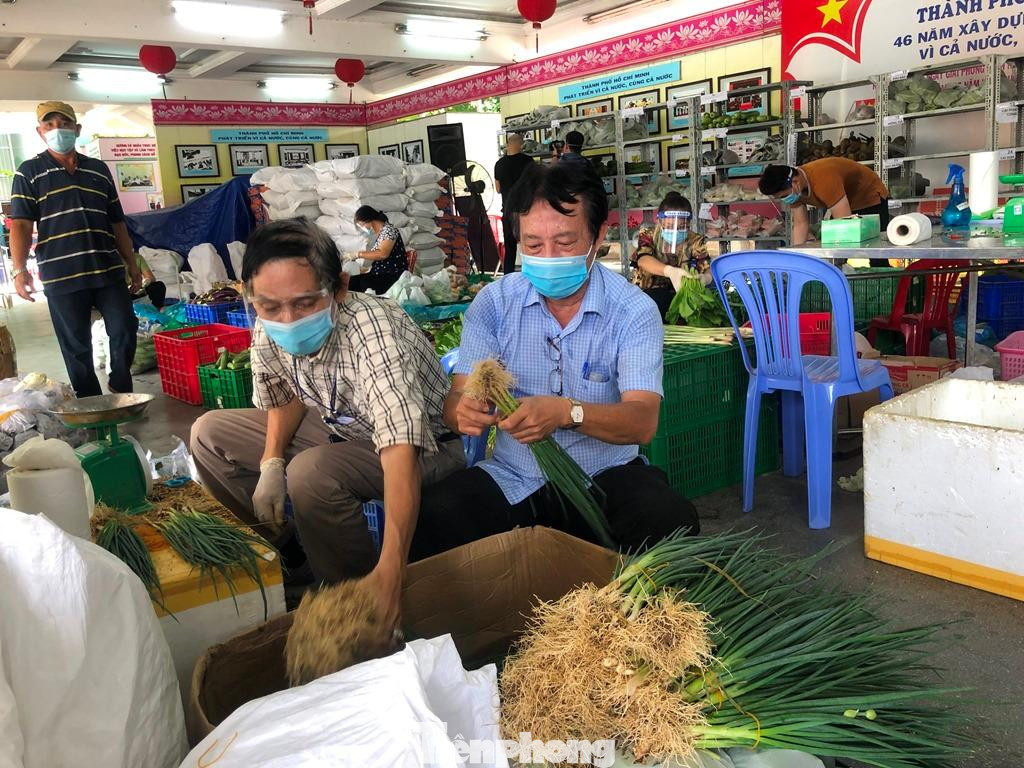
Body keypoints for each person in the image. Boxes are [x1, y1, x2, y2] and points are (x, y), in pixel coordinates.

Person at [412, 162, 699, 561]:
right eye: (533, 245)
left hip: (604, 477)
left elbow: (642, 421)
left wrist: (567, 412)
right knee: (432, 518)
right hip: (515, 476)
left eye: (565, 243)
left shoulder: (633, 310)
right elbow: (456, 400)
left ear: (599, 236)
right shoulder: (494, 304)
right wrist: (465, 413)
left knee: (669, 520)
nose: (548, 257)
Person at [190, 219, 465, 624]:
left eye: (305, 303)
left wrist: (393, 571)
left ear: (339, 288)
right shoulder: (269, 325)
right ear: (251, 295)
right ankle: (290, 554)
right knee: (209, 433)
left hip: (428, 444)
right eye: (270, 306)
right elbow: (284, 397)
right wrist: (271, 462)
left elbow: (400, 446)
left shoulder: (373, 330)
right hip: (344, 428)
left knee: (311, 473)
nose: (288, 319)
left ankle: (355, 602)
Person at [7, 101, 143, 397]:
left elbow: (117, 222)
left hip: (107, 269)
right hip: (61, 275)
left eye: (64, 123)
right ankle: (90, 403)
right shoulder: (29, 172)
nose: (58, 130)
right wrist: (19, 270)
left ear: (77, 129)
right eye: (50, 125)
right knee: (76, 346)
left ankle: (120, 385)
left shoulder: (98, 170)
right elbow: (21, 225)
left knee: (124, 328)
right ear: (40, 131)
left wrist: (132, 265)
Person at [759, 158, 890, 265]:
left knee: (876, 254)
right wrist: (796, 258)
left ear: (795, 182)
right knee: (838, 257)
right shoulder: (794, 190)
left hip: (869, 195)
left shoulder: (824, 179)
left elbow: (844, 224)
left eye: (784, 196)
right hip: (844, 199)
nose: (785, 200)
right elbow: (800, 224)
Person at [630, 192, 711, 321]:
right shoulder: (649, 235)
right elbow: (643, 259)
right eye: (669, 226)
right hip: (648, 293)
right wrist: (669, 271)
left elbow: (707, 266)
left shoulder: (695, 240)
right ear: (659, 221)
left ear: (689, 223)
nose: (675, 231)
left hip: (681, 294)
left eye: (681, 227)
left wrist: (706, 278)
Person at [493, 134, 536, 276]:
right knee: (530, 245)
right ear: (521, 145)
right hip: (526, 210)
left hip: (508, 210)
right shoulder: (528, 162)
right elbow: (535, 185)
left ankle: (508, 277)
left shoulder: (499, 164)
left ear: (508, 144)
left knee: (510, 247)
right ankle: (531, 275)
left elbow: (498, 189)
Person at [342, 205, 407, 295]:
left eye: (362, 225)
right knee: (349, 283)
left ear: (368, 220)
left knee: (365, 283)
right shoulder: (381, 233)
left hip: (392, 274)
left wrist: (358, 254)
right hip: (379, 273)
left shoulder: (389, 230)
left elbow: (382, 254)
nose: (363, 228)